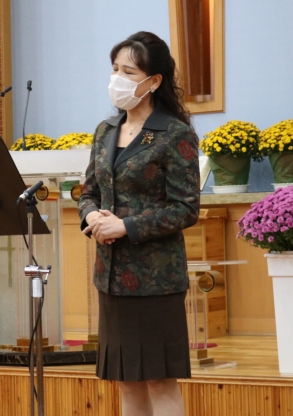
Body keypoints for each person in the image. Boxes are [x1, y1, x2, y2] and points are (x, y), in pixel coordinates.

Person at [79, 32, 200, 416]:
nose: (117, 78)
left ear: (154, 81)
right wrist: (91, 215)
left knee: (159, 380)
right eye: (115, 69)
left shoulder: (175, 133)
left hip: (155, 280)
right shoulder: (105, 131)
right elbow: (88, 191)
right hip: (111, 277)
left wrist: (126, 226)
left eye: (128, 71)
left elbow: (186, 208)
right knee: (127, 381)